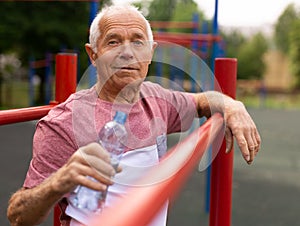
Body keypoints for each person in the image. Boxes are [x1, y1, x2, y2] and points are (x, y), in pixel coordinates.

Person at [7, 4, 261, 226]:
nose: (127, 52)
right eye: (114, 41)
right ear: (93, 54)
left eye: (137, 41)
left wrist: (231, 106)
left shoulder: (157, 100)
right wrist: (58, 182)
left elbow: (202, 101)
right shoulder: (64, 122)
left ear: (150, 52)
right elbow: (18, 216)